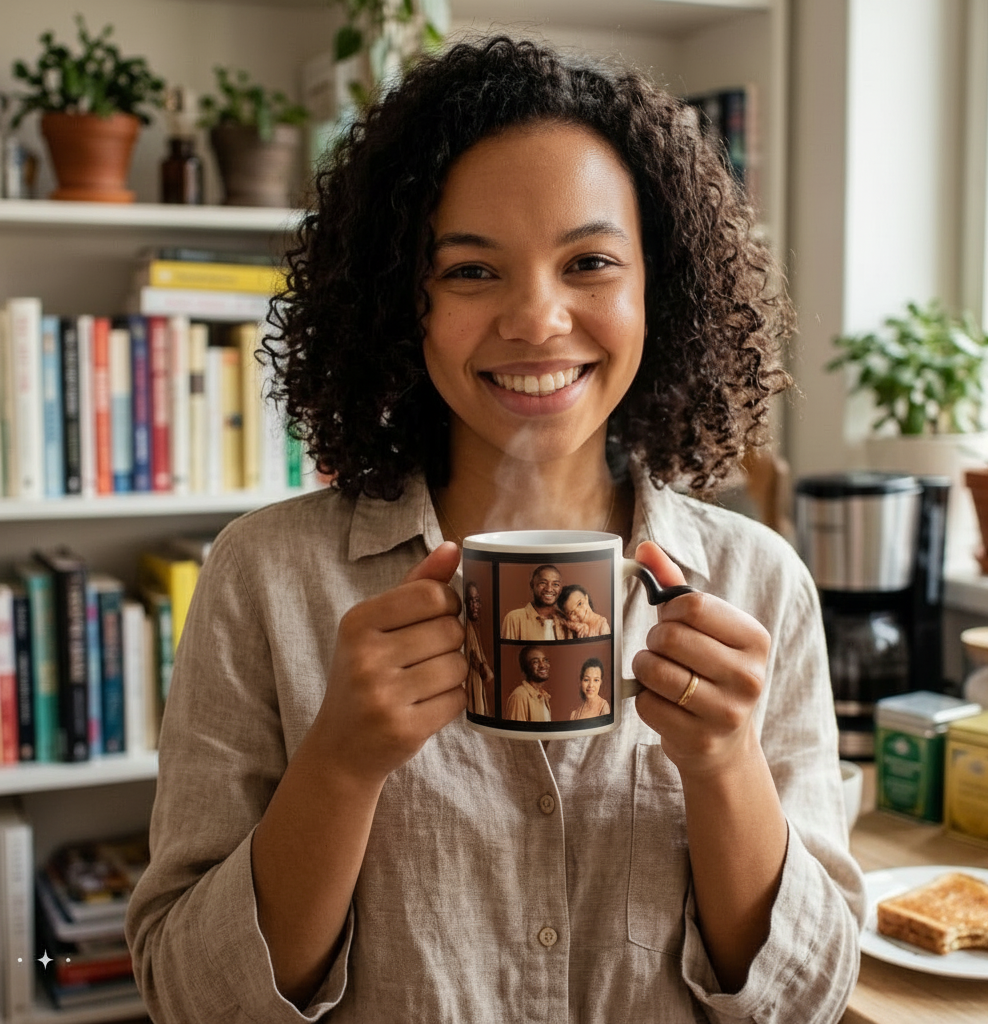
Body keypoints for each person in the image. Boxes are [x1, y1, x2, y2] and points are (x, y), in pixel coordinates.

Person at [126, 35, 864, 1024]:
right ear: (404, 300)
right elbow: (189, 997)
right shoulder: (264, 578)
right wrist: (339, 764)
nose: (537, 319)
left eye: (589, 262)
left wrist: (726, 763)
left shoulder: (757, 582)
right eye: (472, 270)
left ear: (659, 286)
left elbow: (807, 1001)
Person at [500, 563, 571, 640]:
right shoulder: (514, 618)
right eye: (543, 583)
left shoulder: (566, 620)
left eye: (555, 584)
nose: (549, 589)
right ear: (532, 585)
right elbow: (507, 647)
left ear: (560, 589)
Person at [464, 580, 493, 716]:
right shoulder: (466, 628)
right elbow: (486, 674)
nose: (473, 606)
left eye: (476, 601)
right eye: (470, 601)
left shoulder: (476, 628)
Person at [504, 645, 555, 721]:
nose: (542, 665)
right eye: (535, 662)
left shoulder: (543, 695)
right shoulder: (519, 696)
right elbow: (516, 728)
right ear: (526, 667)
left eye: (545, 660)